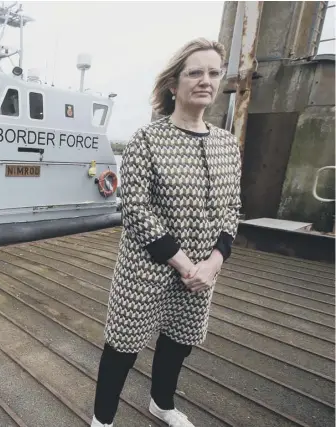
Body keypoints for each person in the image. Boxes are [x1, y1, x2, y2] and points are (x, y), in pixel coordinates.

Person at [91, 38, 242, 427]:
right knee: (123, 345)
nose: (205, 80)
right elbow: (135, 208)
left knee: (179, 341)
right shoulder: (147, 140)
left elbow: (232, 209)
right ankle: (103, 418)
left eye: (213, 72)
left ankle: (162, 404)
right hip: (147, 269)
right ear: (174, 85)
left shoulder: (228, 144)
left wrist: (214, 261)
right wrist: (183, 262)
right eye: (195, 72)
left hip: (200, 274)